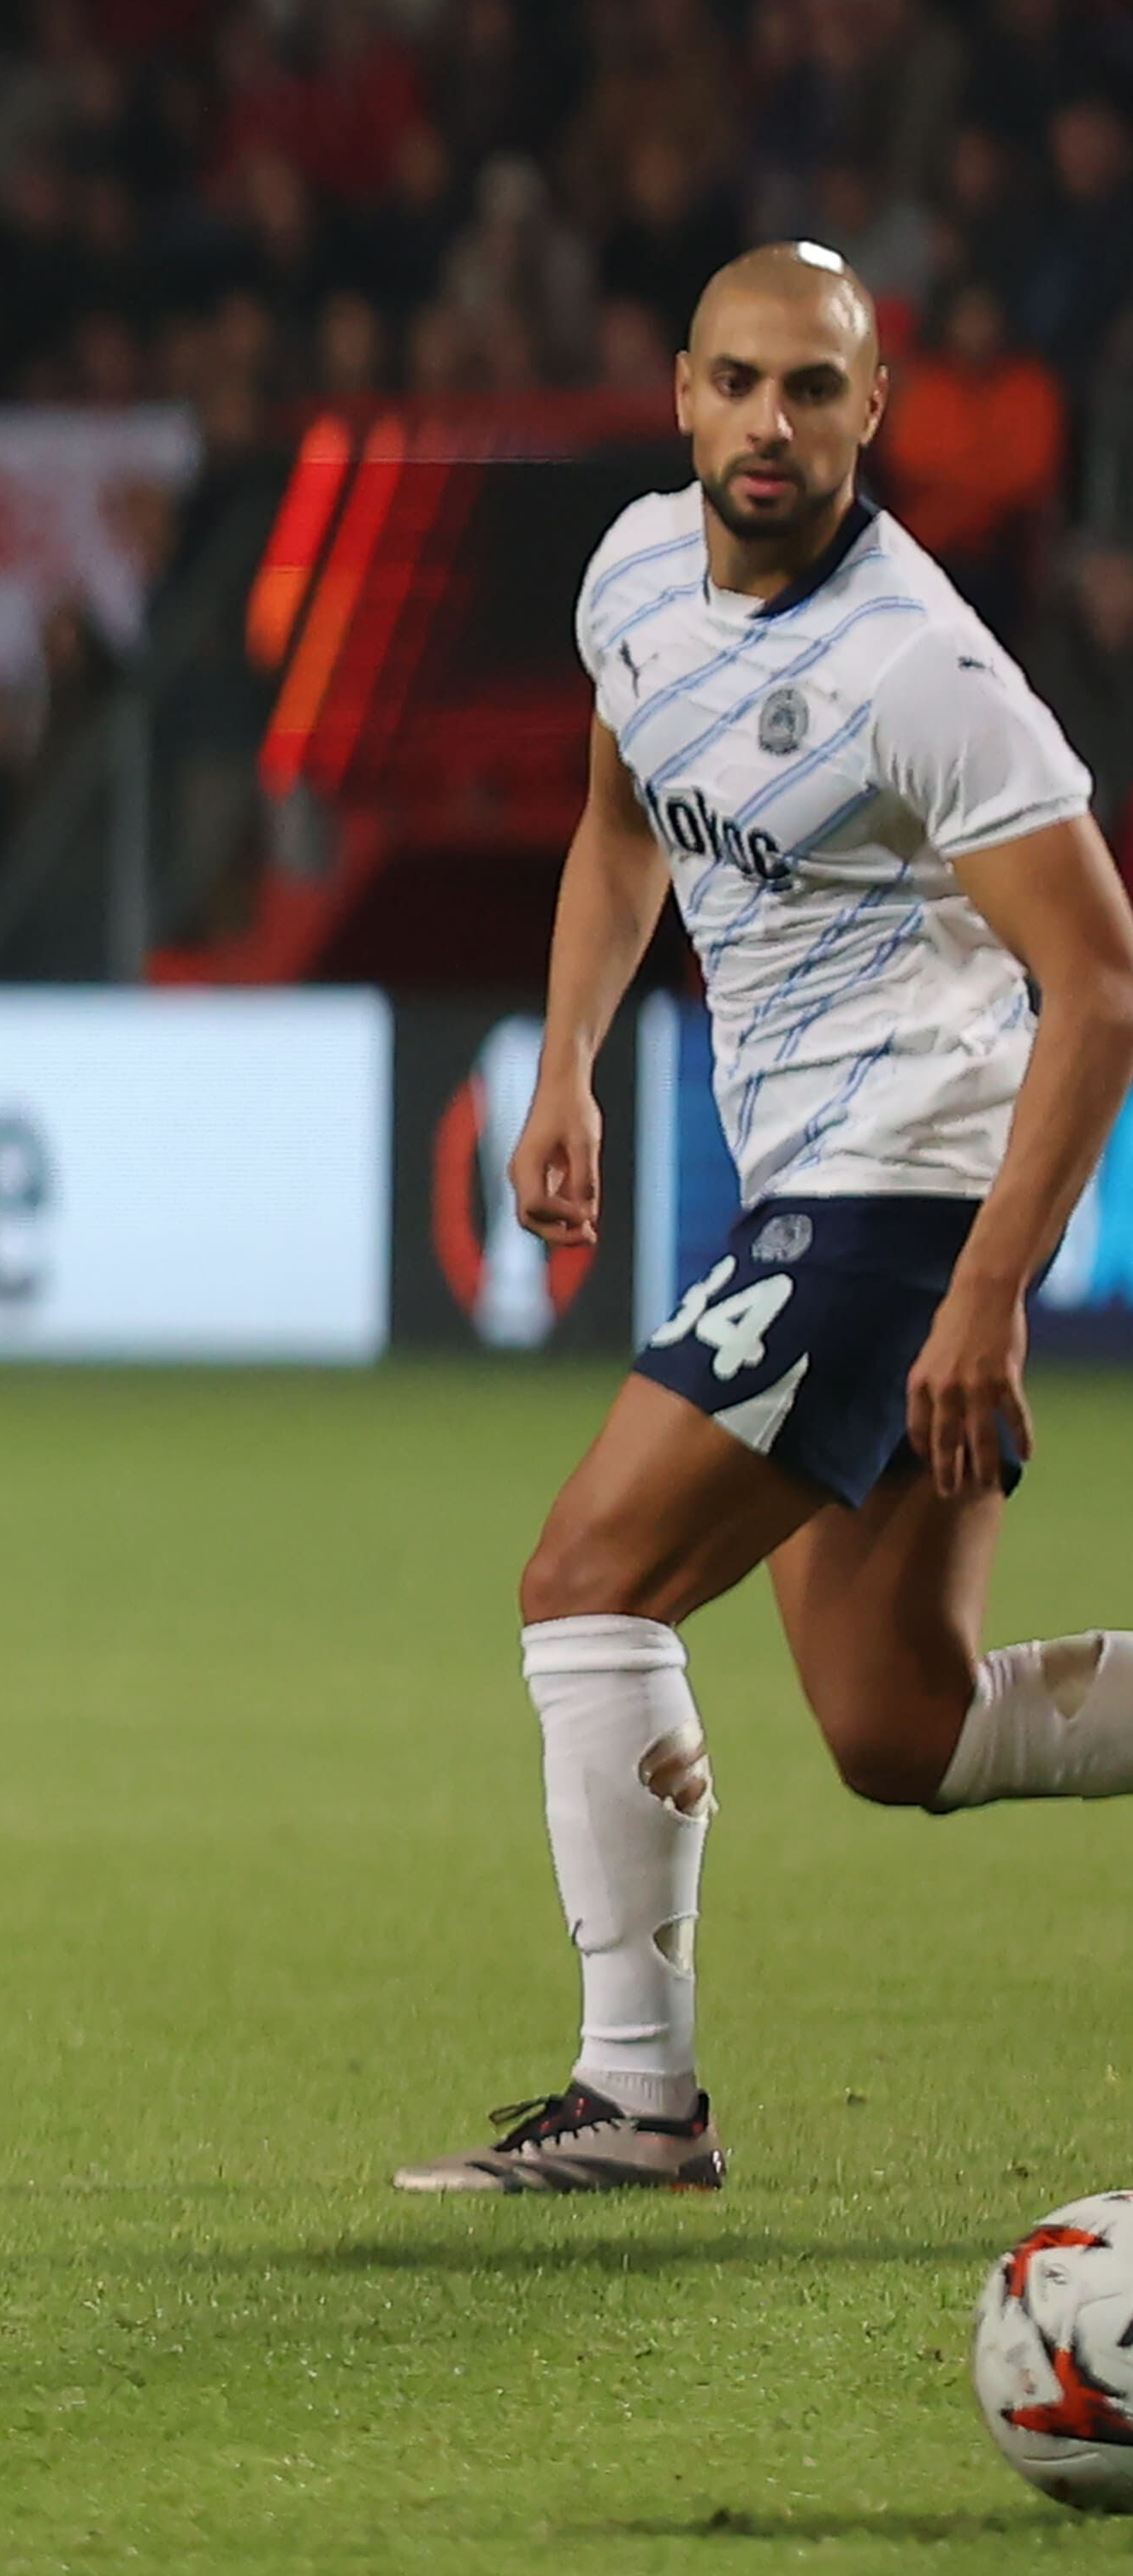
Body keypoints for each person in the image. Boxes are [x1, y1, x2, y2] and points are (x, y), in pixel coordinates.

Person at [398, 243, 1133, 2196]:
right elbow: (622, 824)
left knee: (585, 1575)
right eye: (736, 383)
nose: (769, 425)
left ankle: (636, 2098)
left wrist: (981, 1294)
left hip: (909, 1189)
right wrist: (561, 1058)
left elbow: (1106, 981)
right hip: (803, 1175)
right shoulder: (632, 577)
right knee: (898, 1723)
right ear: (677, 392)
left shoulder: (920, 667)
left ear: (870, 409)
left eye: (812, 390)